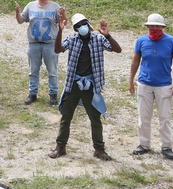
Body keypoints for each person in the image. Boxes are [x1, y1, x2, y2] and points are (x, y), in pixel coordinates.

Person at [49, 12, 122, 161]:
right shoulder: (72, 39)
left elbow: (117, 49)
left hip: (91, 85)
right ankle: (60, 146)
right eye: (78, 26)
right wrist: (60, 31)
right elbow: (57, 50)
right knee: (66, 116)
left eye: (84, 24)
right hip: (73, 83)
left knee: (95, 117)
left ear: (88, 25)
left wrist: (107, 35)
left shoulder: (98, 39)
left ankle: (99, 149)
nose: (82, 27)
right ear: (75, 29)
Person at [128, 13, 173, 159]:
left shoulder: (172, 42)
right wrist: (131, 80)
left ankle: (166, 147)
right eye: (151, 26)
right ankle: (144, 144)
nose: (154, 28)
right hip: (144, 83)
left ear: (162, 27)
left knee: (165, 117)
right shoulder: (141, 41)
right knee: (143, 116)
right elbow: (135, 61)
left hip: (164, 85)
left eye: (157, 26)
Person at [15, 0, 62, 106]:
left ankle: (53, 94)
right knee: (33, 71)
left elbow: (62, 22)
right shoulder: (30, 6)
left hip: (50, 44)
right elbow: (21, 20)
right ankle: (32, 93)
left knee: (52, 71)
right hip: (33, 44)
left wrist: (64, 14)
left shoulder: (55, 7)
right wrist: (17, 12)